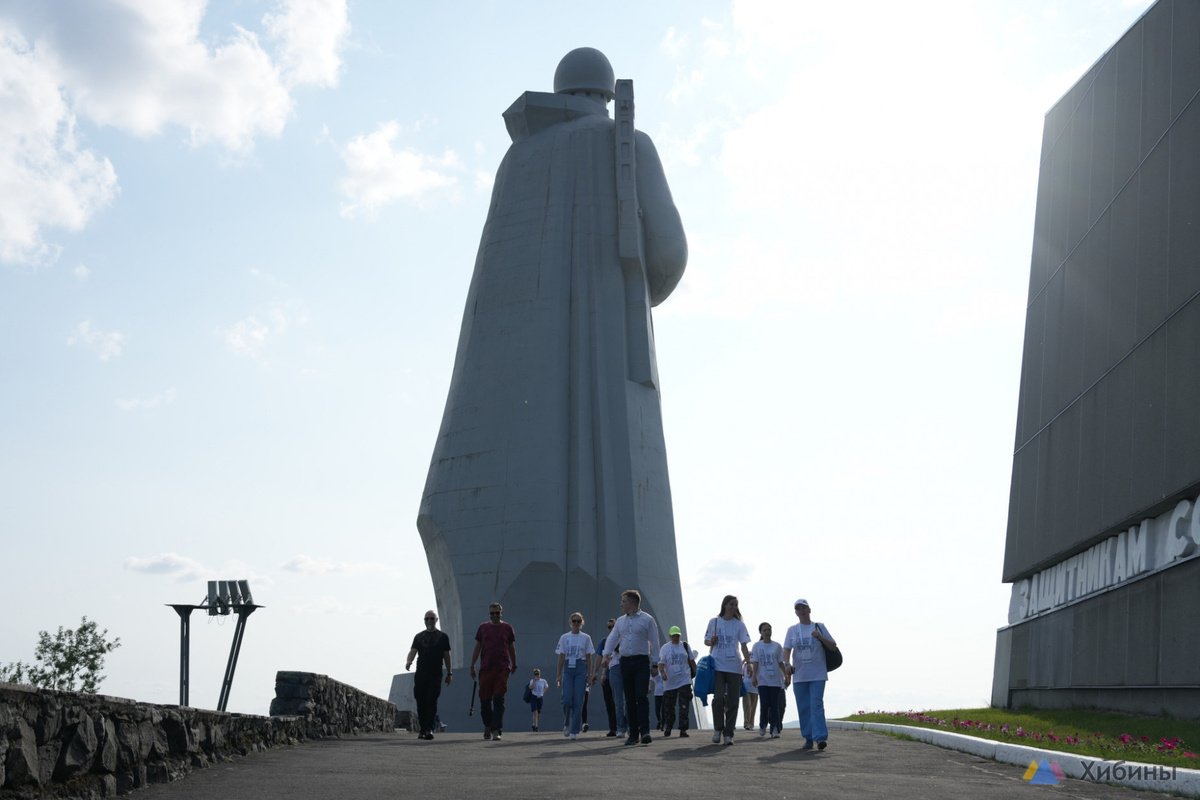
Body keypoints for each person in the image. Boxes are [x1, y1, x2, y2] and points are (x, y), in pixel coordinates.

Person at [600, 590, 660, 745]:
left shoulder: (647, 619)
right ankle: (633, 734)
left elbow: (654, 642)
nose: (621, 604)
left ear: (631, 602)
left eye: (624, 601)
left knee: (641, 696)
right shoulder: (620, 621)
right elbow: (613, 638)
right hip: (625, 662)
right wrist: (606, 656)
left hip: (641, 662)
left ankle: (644, 731)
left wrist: (655, 664)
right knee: (629, 699)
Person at [782, 598, 837, 751]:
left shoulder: (819, 627)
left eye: (804, 608)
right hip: (800, 675)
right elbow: (786, 649)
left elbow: (833, 646)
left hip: (818, 674)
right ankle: (808, 737)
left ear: (809, 609)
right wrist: (786, 664)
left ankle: (820, 738)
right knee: (804, 706)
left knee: (816, 704)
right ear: (796, 612)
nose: (802, 611)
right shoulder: (792, 630)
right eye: (799, 609)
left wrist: (820, 637)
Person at [704, 594, 751, 745]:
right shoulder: (715, 621)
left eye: (735, 605)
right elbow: (705, 640)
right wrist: (711, 641)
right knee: (718, 698)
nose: (733, 607)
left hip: (734, 666)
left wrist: (748, 663)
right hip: (717, 665)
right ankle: (718, 729)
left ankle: (729, 733)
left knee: (733, 701)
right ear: (724, 605)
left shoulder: (739, 625)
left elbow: (744, 645)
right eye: (731, 604)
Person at [468, 602, 518, 741]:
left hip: (502, 668)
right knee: (485, 701)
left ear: (501, 613)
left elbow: (511, 647)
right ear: (488, 614)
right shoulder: (483, 628)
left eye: (497, 613)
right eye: (492, 613)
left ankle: (496, 729)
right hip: (485, 668)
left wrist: (514, 664)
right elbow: (477, 647)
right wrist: (472, 665)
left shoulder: (508, 628)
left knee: (498, 699)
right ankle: (487, 726)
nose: (495, 615)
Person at [404, 610, 452, 741]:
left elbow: (447, 655)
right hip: (421, 673)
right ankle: (423, 728)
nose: (429, 621)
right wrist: (409, 661)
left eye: (432, 618)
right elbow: (413, 651)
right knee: (421, 701)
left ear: (436, 620)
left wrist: (449, 673)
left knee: (431, 700)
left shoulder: (442, 637)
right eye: (427, 619)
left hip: (435, 673)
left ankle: (429, 728)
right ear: (424, 621)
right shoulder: (419, 636)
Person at [555, 613, 594, 740]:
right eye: (574, 621)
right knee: (566, 699)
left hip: (580, 666)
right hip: (568, 666)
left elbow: (589, 658)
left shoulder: (586, 638)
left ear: (582, 623)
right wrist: (558, 675)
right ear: (570, 622)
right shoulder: (564, 637)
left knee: (578, 700)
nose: (576, 623)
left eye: (578, 621)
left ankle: (574, 730)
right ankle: (566, 722)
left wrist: (589, 675)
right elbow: (561, 657)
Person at [750, 621, 786, 738]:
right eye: (764, 630)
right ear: (761, 632)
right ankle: (762, 724)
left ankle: (775, 728)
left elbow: (780, 662)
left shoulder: (777, 646)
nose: (767, 632)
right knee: (764, 703)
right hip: (762, 679)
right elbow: (755, 662)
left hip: (775, 679)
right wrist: (754, 676)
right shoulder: (757, 646)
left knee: (774, 705)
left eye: (769, 630)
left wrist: (785, 676)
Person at [657, 626, 694, 738]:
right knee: (669, 706)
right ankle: (669, 726)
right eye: (673, 635)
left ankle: (683, 729)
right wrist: (662, 673)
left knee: (684, 705)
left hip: (684, 679)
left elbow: (692, 660)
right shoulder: (665, 648)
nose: (675, 637)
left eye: (677, 635)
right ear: (670, 636)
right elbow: (661, 662)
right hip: (670, 681)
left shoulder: (685, 646)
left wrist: (694, 673)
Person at [594, 618, 619, 737]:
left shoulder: (622, 640)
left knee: (620, 702)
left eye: (614, 626)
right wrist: (596, 673)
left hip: (619, 676)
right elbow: (600, 658)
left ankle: (623, 726)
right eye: (609, 627)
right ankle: (613, 728)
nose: (611, 629)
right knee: (609, 703)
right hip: (608, 677)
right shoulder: (604, 642)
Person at [741, 661, 758, 731]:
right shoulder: (744, 665)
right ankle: (746, 723)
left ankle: (751, 724)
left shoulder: (757, 665)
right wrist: (744, 661)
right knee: (747, 705)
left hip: (755, 688)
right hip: (746, 688)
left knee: (753, 707)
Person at [651, 663, 665, 730]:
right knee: (657, 710)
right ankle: (659, 720)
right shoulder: (655, 673)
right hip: (657, 693)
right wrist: (649, 687)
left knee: (663, 710)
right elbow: (651, 680)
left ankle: (663, 724)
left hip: (664, 693)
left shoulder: (666, 672)